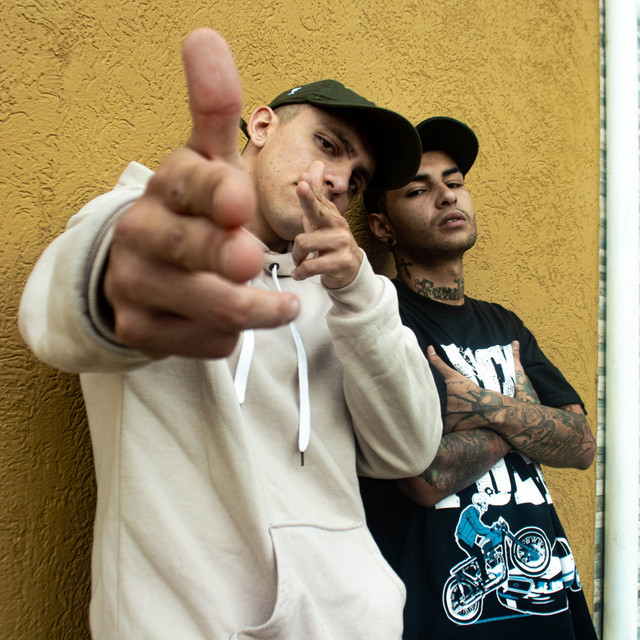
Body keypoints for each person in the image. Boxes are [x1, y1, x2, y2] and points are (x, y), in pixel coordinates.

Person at [18, 29, 443, 639]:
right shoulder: (147, 222)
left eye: (356, 179)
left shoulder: (350, 295)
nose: (337, 181)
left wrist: (358, 295)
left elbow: (408, 450)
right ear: (261, 126)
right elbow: (54, 320)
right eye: (327, 145)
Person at [359, 116, 597, 639]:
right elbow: (425, 476)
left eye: (455, 182)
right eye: (418, 190)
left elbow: (581, 445)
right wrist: (523, 417)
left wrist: (485, 407)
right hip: (438, 616)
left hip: (548, 606)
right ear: (382, 227)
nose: (446, 196)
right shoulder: (378, 317)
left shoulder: (504, 324)